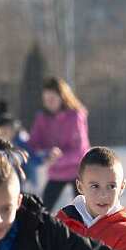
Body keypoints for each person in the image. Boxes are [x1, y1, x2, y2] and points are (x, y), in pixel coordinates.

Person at [28, 77, 90, 212]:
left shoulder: (75, 116)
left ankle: (86, 233)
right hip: (56, 173)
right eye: (46, 100)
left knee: (85, 214)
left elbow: (80, 151)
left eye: (52, 99)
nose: (48, 103)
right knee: (41, 212)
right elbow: (33, 144)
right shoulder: (42, 118)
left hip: (78, 172)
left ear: (62, 97)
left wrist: (57, 158)